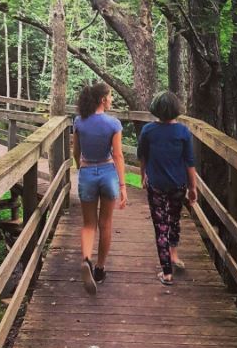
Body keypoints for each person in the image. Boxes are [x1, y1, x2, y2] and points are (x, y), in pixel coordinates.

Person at [137, 91, 197, 285]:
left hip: (156, 185)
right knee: (174, 219)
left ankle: (167, 271)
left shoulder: (148, 130)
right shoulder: (183, 132)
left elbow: (142, 156)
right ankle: (173, 254)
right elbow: (189, 162)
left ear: (156, 108)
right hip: (178, 185)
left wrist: (143, 175)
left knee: (161, 226)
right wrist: (193, 187)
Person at [73, 82, 128, 295]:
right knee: (106, 224)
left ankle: (86, 259)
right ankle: (100, 269)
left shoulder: (79, 121)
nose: (112, 99)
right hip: (108, 174)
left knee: (89, 224)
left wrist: (81, 168)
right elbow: (118, 155)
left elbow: (76, 151)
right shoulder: (113, 124)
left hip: (87, 173)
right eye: (111, 96)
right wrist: (123, 186)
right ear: (103, 100)